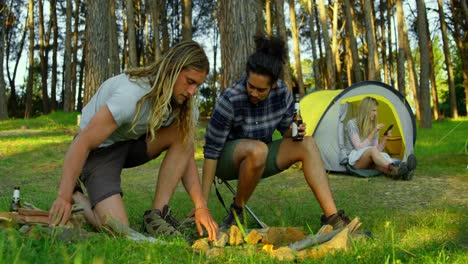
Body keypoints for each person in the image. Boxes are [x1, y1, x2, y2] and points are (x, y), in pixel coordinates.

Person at [49, 41, 218, 241]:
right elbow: (83, 142)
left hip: (131, 142)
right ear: (172, 69)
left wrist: (201, 206)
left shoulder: (185, 105)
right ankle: (77, 196)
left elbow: (186, 154)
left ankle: (157, 215)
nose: (192, 92)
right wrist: (64, 195)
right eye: (189, 81)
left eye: (197, 85)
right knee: (119, 229)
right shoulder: (131, 95)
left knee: (184, 135)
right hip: (99, 150)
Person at [201, 36, 351, 230]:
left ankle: (333, 218)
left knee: (307, 143)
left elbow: (285, 132)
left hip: (260, 155)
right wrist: (201, 205)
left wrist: (295, 131)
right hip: (226, 160)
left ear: (273, 85)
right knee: (258, 149)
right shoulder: (231, 99)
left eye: (261, 90)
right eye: (250, 86)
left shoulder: (282, 94)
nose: (254, 93)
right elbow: (211, 152)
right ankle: (237, 212)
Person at [343, 96, 417, 180]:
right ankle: (394, 166)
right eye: (373, 110)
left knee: (379, 165)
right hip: (355, 160)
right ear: (366, 110)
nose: (376, 113)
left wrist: (385, 139)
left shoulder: (373, 126)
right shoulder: (352, 124)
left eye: (376, 110)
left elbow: (377, 151)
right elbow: (359, 147)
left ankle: (402, 173)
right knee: (373, 151)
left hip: (369, 159)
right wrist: (373, 132)